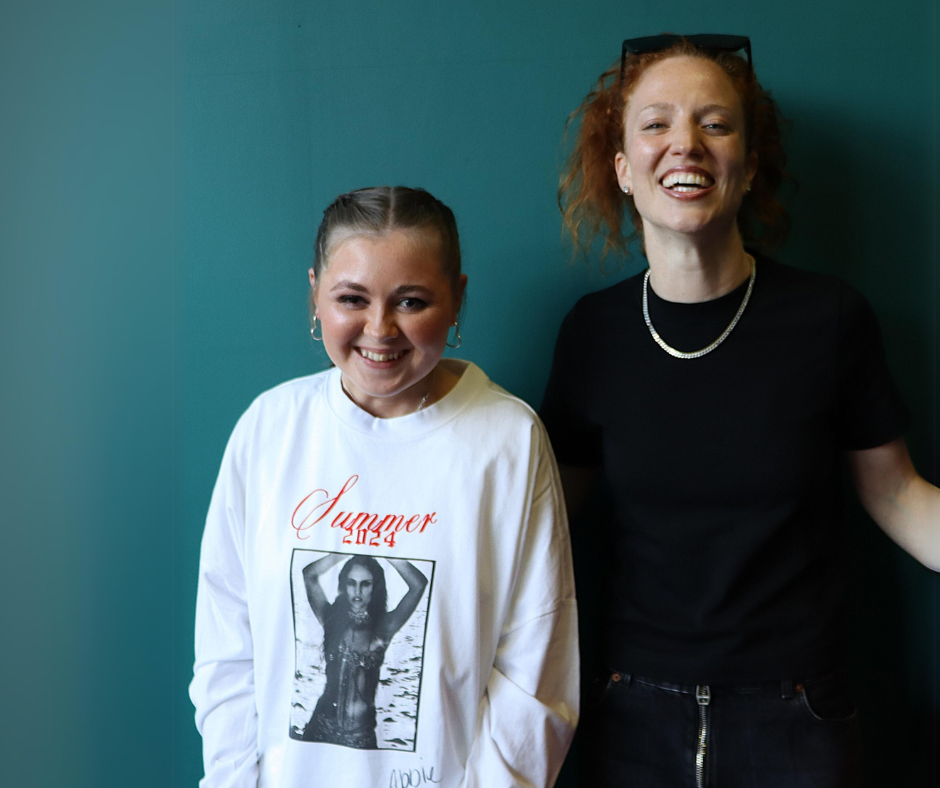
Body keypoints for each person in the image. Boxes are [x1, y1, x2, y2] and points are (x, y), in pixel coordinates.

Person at [541, 34, 939, 788]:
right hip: (635, 718)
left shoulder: (830, 319)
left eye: (715, 124)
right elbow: (546, 517)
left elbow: (898, 494)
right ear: (623, 169)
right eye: (655, 124)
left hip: (798, 718)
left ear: (748, 165)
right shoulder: (592, 333)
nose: (684, 144)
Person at [191, 186, 578, 788]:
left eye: (411, 301)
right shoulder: (268, 429)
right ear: (316, 294)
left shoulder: (508, 440)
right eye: (352, 298)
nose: (380, 328)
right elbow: (225, 650)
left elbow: (537, 670)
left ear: (456, 301)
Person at [298, 553, 427, 748]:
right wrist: (343, 548)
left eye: (365, 584)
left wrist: (386, 547)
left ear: (375, 588)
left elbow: (418, 584)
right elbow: (309, 575)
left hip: (361, 736)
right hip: (319, 728)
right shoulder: (331, 621)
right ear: (344, 585)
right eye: (351, 582)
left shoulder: (383, 628)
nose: (357, 591)